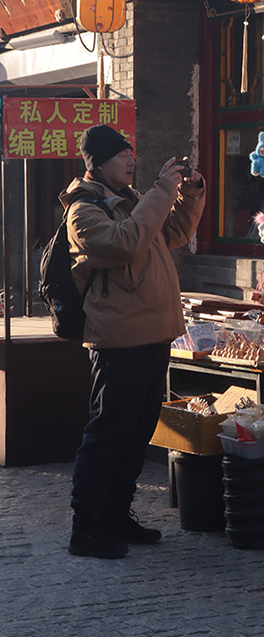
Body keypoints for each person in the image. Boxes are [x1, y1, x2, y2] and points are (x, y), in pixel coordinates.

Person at [61, 123, 206, 559]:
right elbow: (126, 243)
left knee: (138, 431)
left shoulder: (131, 200)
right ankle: (85, 528)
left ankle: (117, 515)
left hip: (154, 333)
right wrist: (162, 188)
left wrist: (191, 192)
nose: (131, 160)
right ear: (99, 163)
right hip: (118, 339)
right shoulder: (84, 211)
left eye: (131, 153)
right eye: (122, 155)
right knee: (108, 433)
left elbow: (173, 234)